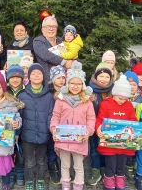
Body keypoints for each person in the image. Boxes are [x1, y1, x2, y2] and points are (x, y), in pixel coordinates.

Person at [50, 61, 95, 190]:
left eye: (78, 83)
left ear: (83, 85)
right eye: (72, 83)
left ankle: (78, 186)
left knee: (78, 165)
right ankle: (65, 185)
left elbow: (91, 118)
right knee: (64, 165)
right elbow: (55, 116)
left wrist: (89, 130)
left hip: (80, 139)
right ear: (67, 84)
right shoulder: (61, 100)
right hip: (63, 139)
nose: (75, 86)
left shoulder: (87, 101)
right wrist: (53, 129)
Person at [96, 75, 137, 190]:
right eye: (120, 98)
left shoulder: (128, 106)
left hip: (123, 144)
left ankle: (120, 179)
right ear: (114, 94)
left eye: (125, 99)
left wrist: (136, 129)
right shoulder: (105, 104)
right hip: (110, 143)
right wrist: (98, 128)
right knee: (110, 164)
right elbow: (99, 119)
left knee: (121, 164)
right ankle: (109, 180)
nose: (122, 101)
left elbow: (133, 120)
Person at [18, 63, 54, 190]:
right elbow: (19, 117)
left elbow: (50, 115)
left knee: (41, 160)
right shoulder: (22, 95)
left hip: (44, 134)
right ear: (29, 76)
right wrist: (17, 133)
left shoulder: (49, 96)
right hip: (27, 135)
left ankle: (40, 179)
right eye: (33, 73)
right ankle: (29, 180)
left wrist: (51, 131)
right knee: (29, 161)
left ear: (43, 76)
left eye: (39, 73)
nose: (36, 75)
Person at [87, 62, 114, 186]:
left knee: (107, 148)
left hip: (109, 126)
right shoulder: (89, 90)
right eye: (101, 76)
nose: (104, 79)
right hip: (93, 124)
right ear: (96, 76)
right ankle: (95, 169)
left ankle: (105, 169)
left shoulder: (114, 90)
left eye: (107, 77)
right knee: (94, 148)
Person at [33, 16, 72, 82]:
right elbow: (46, 55)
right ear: (42, 29)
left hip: (65, 80)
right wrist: (64, 62)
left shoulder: (62, 40)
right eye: (48, 26)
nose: (51, 29)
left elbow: (73, 52)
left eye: (54, 27)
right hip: (49, 81)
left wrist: (74, 62)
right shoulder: (38, 41)